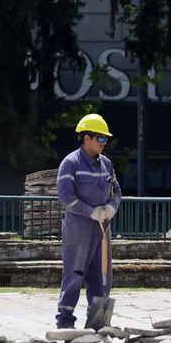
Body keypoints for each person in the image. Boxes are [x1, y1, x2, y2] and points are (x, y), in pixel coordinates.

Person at [54, 113, 121, 329]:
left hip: (102, 227)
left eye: (105, 139)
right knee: (74, 272)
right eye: (100, 138)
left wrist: (111, 207)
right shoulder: (70, 164)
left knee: (102, 276)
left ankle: (97, 321)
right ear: (86, 138)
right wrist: (91, 212)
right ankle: (65, 320)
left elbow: (116, 191)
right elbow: (66, 198)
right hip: (78, 228)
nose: (104, 143)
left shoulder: (107, 165)